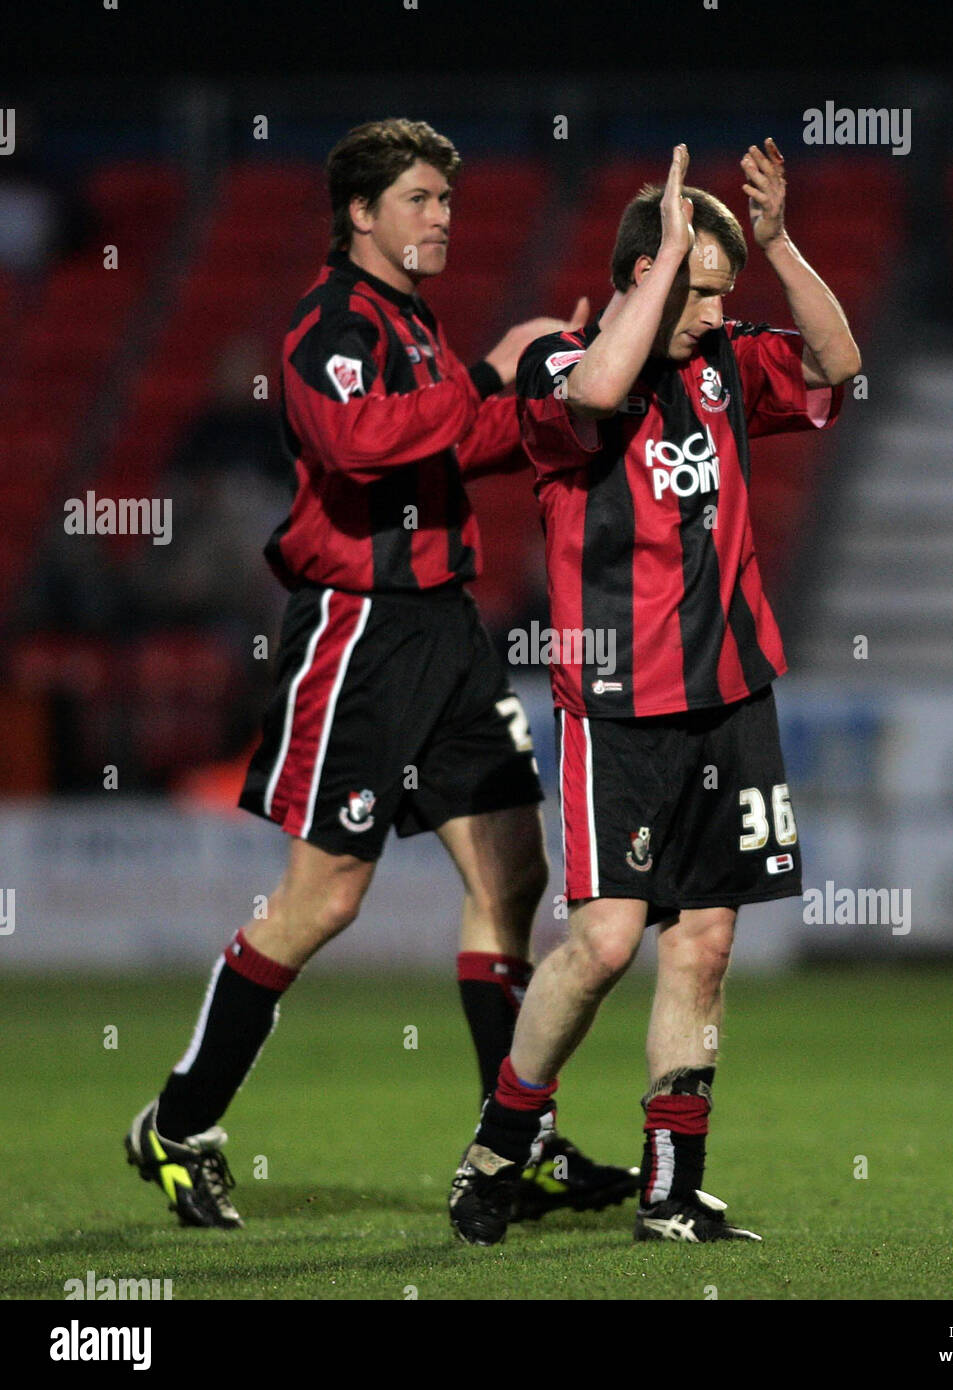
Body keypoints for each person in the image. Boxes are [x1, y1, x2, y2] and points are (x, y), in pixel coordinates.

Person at [125, 118, 638, 1229]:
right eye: (418, 198)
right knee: (325, 897)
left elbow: (463, 441)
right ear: (359, 213)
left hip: (444, 629)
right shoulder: (327, 326)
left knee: (510, 875)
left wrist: (552, 390)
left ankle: (514, 1148)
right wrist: (495, 370)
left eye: (447, 200)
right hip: (357, 632)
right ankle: (178, 1119)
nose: (441, 217)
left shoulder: (413, 328)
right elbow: (359, 442)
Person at [448, 140, 861, 1244]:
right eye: (699, 292)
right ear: (646, 276)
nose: (716, 316)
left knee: (706, 945)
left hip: (730, 694)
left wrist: (772, 243)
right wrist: (663, 261)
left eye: (725, 296)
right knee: (602, 944)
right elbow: (591, 389)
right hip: (619, 704)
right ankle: (498, 1146)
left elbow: (835, 362)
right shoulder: (558, 368)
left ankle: (670, 1190)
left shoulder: (724, 364)